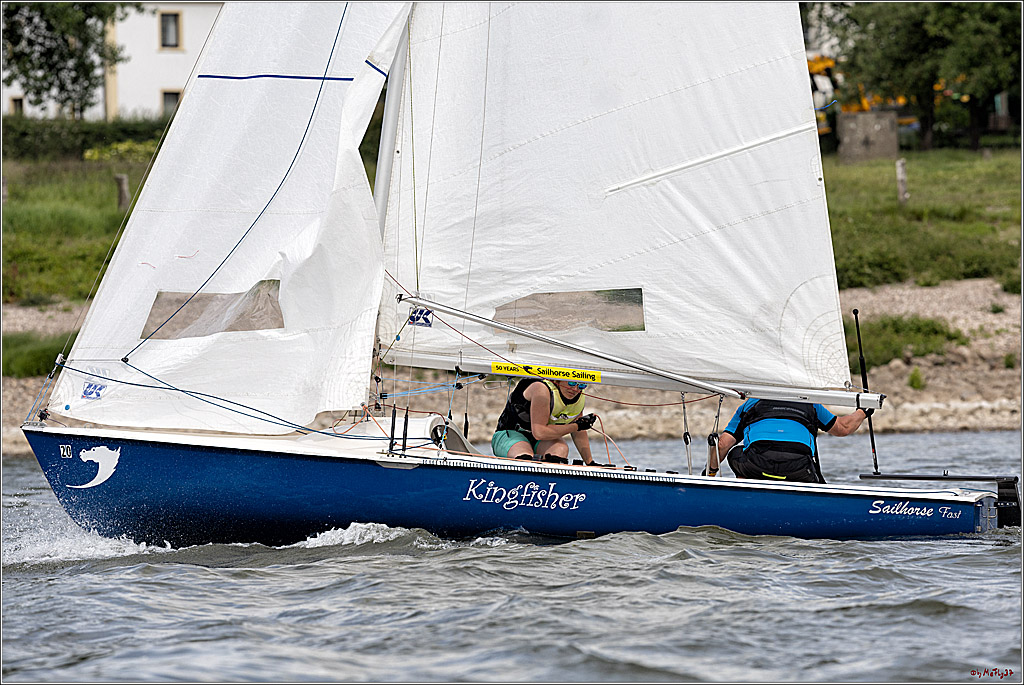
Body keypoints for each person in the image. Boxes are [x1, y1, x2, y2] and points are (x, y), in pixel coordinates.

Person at [708, 398, 873, 483]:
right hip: (799, 468)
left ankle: (748, 494)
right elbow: (843, 428)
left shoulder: (749, 404)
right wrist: (863, 412)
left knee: (736, 453)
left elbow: (722, 444)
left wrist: (710, 474)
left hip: (757, 465)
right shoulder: (811, 404)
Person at [491, 377, 601, 465]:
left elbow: (579, 432)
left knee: (560, 450)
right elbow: (540, 432)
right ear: (558, 379)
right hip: (510, 434)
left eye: (581, 385)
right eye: (571, 383)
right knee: (525, 458)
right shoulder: (541, 389)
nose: (575, 389)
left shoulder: (578, 395)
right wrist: (576, 426)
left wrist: (590, 462)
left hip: (541, 441)